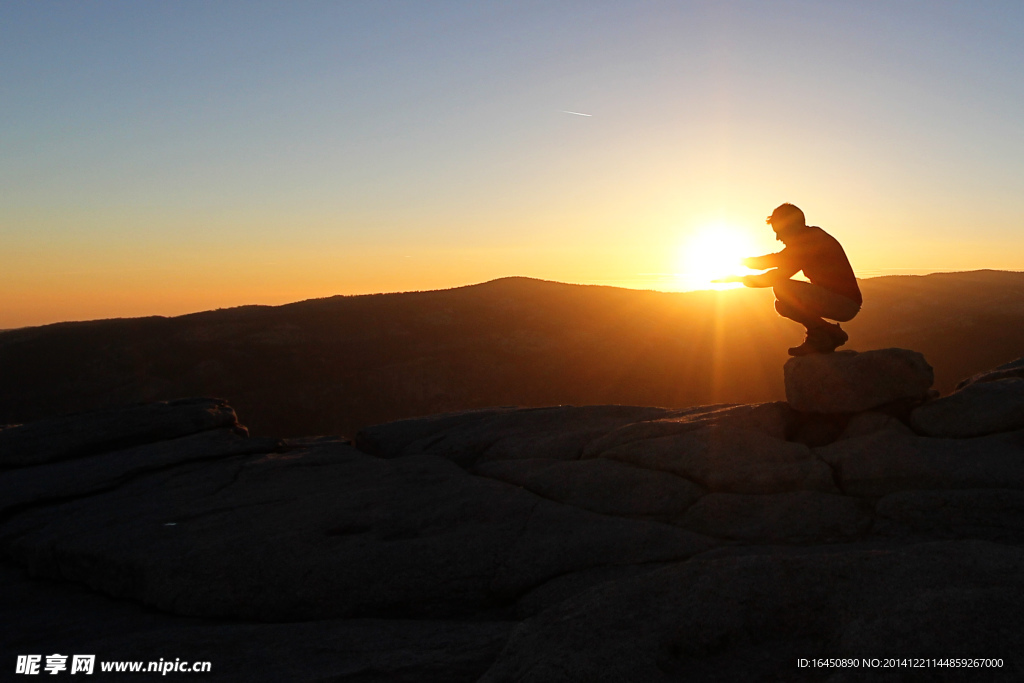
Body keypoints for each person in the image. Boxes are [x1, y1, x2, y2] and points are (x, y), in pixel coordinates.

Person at [739, 203, 861, 356]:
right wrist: (742, 278)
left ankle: (823, 335)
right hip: (842, 302)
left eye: (779, 231)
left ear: (791, 226)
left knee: (782, 288)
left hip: (844, 302)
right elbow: (779, 271)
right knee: (783, 306)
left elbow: (777, 266)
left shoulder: (812, 239)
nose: (778, 238)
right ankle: (826, 336)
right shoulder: (807, 242)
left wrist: (743, 263)